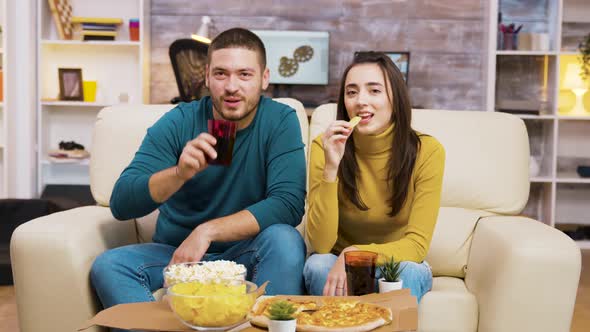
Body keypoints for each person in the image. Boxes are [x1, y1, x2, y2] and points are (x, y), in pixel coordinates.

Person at [90, 28, 308, 314]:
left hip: (247, 252)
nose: (232, 86)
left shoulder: (280, 120)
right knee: (109, 266)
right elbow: (121, 202)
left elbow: (288, 204)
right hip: (179, 257)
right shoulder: (179, 121)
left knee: (285, 239)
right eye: (221, 74)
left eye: (244, 74)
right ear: (206, 76)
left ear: (264, 78)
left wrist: (207, 231)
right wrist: (179, 173)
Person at [303, 52, 445, 302]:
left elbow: (417, 245)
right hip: (340, 266)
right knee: (317, 265)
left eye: (374, 91)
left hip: (396, 261)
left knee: (408, 272)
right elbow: (321, 245)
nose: (361, 101)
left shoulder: (428, 151)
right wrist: (331, 167)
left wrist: (357, 252)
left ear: (395, 98)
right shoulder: (323, 146)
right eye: (352, 92)